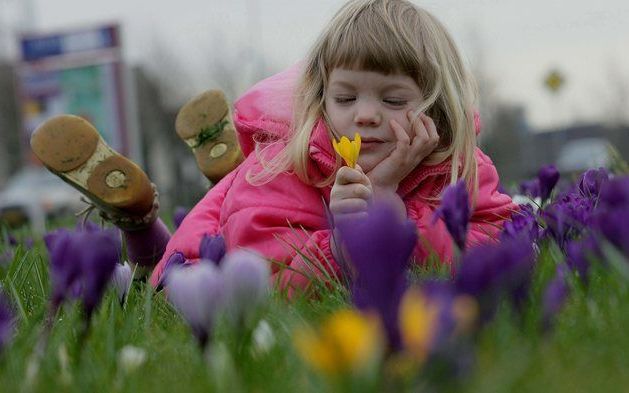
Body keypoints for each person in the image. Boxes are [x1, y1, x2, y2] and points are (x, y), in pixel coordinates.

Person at [31, 0, 516, 295]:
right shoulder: (290, 165)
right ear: (321, 98)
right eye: (345, 97)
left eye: (392, 99)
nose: (365, 115)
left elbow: (499, 252)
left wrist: (391, 211)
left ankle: (218, 179)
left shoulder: (463, 169)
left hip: (243, 200)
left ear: (436, 106)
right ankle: (141, 224)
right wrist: (349, 239)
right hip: (203, 256)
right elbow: (272, 279)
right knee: (158, 272)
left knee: (229, 195)